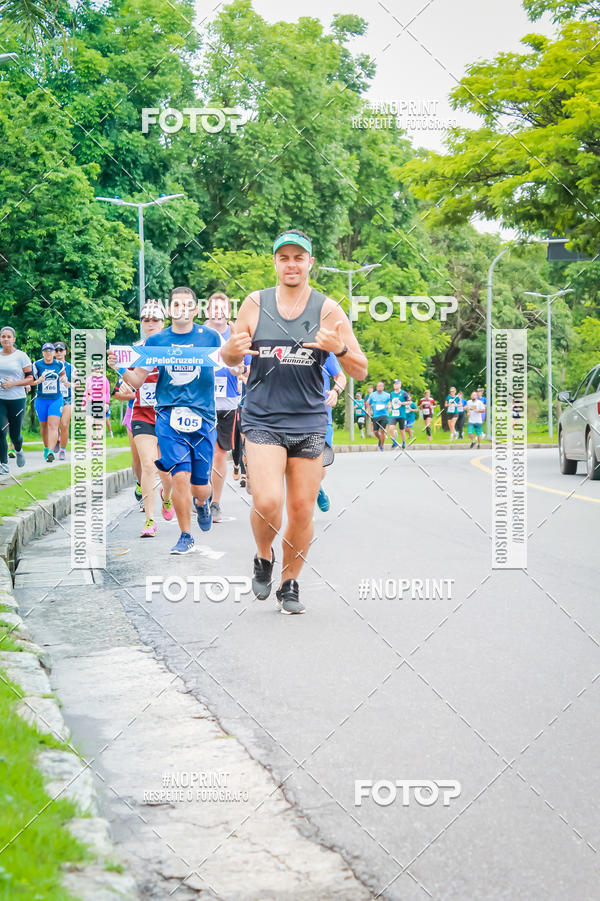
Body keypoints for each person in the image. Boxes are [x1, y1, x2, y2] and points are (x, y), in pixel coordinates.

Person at [220, 228, 368, 614]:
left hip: (309, 422)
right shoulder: (255, 303)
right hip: (263, 418)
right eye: (284, 257)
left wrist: (341, 348)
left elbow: (361, 369)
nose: (291, 264)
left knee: (302, 509)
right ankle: (262, 555)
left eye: (298, 257)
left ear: (310, 263)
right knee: (268, 501)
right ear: (275, 262)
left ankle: (290, 583)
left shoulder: (328, 310)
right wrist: (231, 351)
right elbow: (233, 356)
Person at [110, 286, 220, 554]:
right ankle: (185, 535)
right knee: (179, 477)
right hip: (168, 415)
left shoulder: (210, 337)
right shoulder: (156, 342)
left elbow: (231, 364)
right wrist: (119, 367)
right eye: (176, 305)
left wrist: (240, 363)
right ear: (170, 310)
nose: (182, 309)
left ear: (195, 309)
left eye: (187, 305)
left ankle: (203, 503)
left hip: (203, 417)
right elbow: (136, 381)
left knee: (200, 486)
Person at [117, 302, 174, 537]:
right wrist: (120, 370)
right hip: (142, 414)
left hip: (169, 414)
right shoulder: (135, 349)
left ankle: (167, 496)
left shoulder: (175, 346)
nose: (150, 324)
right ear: (141, 323)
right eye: (146, 320)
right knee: (148, 465)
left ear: (163, 322)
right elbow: (128, 382)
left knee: (167, 469)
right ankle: (150, 520)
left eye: (155, 320)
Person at [205, 292, 250, 523]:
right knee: (201, 452)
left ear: (228, 312)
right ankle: (201, 493)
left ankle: (214, 503)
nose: (218, 312)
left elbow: (247, 370)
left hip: (227, 402)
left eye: (223, 308)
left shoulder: (237, 335)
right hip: (200, 400)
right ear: (207, 311)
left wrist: (239, 370)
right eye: (214, 308)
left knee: (220, 453)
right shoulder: (199, 334)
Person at [0, 326, 33, 473]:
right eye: (3, 336)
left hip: (17, 399)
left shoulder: (21, 356)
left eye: (8, 337)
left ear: (13, 339)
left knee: (15, 434)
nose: (5, 339)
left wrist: (12, 383)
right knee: (1, 431)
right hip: (1, 398)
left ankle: (18, 450)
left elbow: (31, 378)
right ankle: (4, 463)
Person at [317, 352, 346, 512]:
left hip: (322, 419)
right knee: (298, 466)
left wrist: (335, 392)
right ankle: (305, 511)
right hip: (294, 420)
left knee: (319, 467)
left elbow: (341, 378)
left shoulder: (325, 352)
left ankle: (316, 488)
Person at [32, 343, 67, 463]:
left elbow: (63, 375)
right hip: (41, 399)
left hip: (55, 399)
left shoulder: (59, 364)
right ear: (42, 353)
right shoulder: (37, 364)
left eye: (50, 351)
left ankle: (51, 451)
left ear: (53, 353)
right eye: (45, 351)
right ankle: (46, 448)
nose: (48, 353)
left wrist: (64, 379)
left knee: (53, 426)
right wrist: (38, 381)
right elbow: (31, 381)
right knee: (44, 426)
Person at [53, 342, 77, 459]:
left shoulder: (71, 367)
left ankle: (62, 450)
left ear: (65, 352)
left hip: (67, 397)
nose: (58, 352)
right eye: (56, 350)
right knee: (55, 423)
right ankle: (57, 438)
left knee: (64, 424)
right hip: (53, 397)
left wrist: (68, 383)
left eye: (60, 350)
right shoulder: (49, 366)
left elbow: (78, 384)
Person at [82, 362, 112, 439]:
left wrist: (107, 403)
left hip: (100, 403)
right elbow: (86, 393)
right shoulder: (89, 379)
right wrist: (83, 405)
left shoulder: (104, 379)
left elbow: (107, 392)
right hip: (90, 402)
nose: (97, 369)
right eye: (95, 367)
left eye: (98, 368)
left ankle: (98, 443)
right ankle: (90, 441)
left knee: (98, 424)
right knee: (88, 423)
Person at [367, 381, 391, 451]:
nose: (379, 387)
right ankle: (381, 440)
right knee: (375, 431)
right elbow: (368, 403)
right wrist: (369, 411)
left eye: (381, 386)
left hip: (384, 414)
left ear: (383, 387)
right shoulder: (373, 395)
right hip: (375, 415)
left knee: (383, 430)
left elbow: (391, 402)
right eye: (378, 386)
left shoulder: (387, 395)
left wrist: (389, 405)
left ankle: (381, 446)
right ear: (376, 387)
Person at [388, 378, 408, 449]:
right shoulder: (392, 394)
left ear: (400, 385)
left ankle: (403, 443)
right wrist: (389, 406)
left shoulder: (404, 393)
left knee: (402, 430)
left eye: (397, 384)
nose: (395, 385)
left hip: (401, 415)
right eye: (394, 384)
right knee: (390, 428)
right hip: (394, 414)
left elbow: (409, 402)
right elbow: (390, 402)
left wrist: (402, 403)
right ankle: (394, 442)